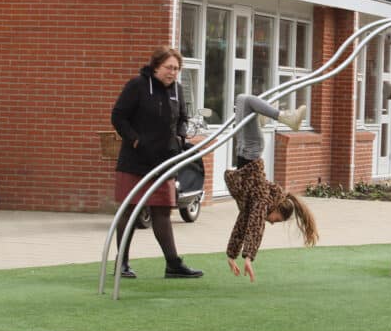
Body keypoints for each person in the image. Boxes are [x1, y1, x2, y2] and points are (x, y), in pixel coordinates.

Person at [111, 46, 202, 279]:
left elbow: (183, 118)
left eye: (176, 69)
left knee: (162, 211)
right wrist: (135, 141)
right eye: (168, 68)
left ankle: (173, 264)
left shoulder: (177, 91)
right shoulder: (137, 86)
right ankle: (121, 263)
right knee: (129, 210)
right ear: (155, 67)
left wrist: (181, 135)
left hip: (164, 162)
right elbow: (118, 116)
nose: (172, 73)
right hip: (135, 161)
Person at [224, 93, 317, 282]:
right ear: (276, 208)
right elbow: (255, 229)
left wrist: (231, 255)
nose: (272, 222)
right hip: (251, 150)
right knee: (244, 99)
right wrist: (249, 258)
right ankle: (285, 118)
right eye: (277, 219)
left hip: (244, 152)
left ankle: (261, 118)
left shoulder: (257, 203)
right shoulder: (262, 202)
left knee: (244, 103)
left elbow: (242, 226)